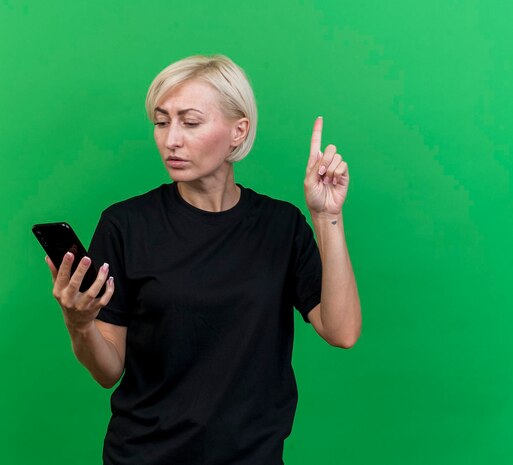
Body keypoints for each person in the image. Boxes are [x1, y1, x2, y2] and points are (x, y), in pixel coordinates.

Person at [44, 55, 361, 465]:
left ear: (238, 131)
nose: (170, 139)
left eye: (190, 122)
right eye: (161, 122)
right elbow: (108, 371)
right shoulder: (125, 225)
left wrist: (326, 216)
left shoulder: (281, 226)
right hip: (144, 456)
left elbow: (343, 331)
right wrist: (79, 324)